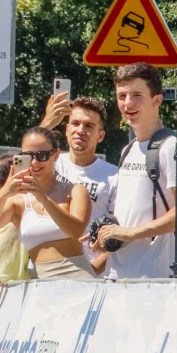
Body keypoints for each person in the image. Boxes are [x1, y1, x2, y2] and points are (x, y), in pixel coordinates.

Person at [93, 63, 177, 278]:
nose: (128, 103)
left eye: (137, 95)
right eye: (122, 96)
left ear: (156, 100)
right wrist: (107, 235)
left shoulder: (170, 146)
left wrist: (130, 233)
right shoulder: (128, 149)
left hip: (152, 281)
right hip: (116, 276)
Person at [0, 128, 94, 278]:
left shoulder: (75, 191)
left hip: (77, 277)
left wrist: (44, 199)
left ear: (56, 155)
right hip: (39, 283)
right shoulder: (19, 201)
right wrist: (4, 192)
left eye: (42, 155)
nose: (34, 162)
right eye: (28, 156)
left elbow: (76, 230)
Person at [41, 95, 118, 274]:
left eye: (89, 126)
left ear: (100, 136)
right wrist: (45, 125)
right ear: (66, 130)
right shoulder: (48, 163)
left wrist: (91, 272)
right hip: (45, 267)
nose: (80, 130)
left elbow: (120, 231)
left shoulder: (114, 176)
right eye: (75, 124)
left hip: (90, 272)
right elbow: (20, 166)